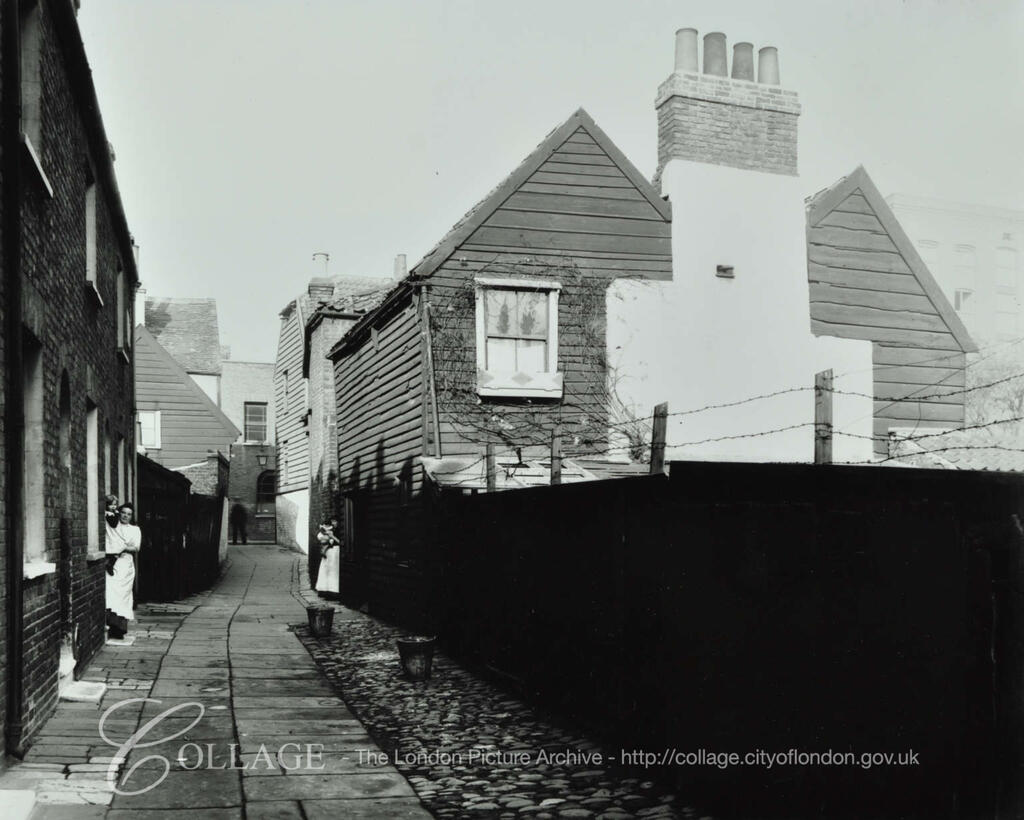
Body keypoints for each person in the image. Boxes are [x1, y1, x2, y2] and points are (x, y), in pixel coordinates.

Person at [105, 503, 141, 640]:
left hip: (125, 563)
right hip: (113, 563)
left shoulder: (135, 530)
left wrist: (121, 548)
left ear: (131, 517)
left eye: (129, 514)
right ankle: (111, 623)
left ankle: (120, 627)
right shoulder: (113, 526)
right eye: (124, 513)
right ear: (119, 513)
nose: (126, 516)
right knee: (111, 591)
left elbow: (136, 547)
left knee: (123, 595)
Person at [315, 517, 340, 596]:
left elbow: (339, 542)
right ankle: (325, 590)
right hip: (328, 552)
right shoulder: (329, 530)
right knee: (325, 570)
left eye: (335, 521)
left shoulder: (339, 531)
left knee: (333, 571)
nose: (333, 523)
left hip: (335, 551)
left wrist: (332, 536)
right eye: (332, 521)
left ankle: (333, 591)